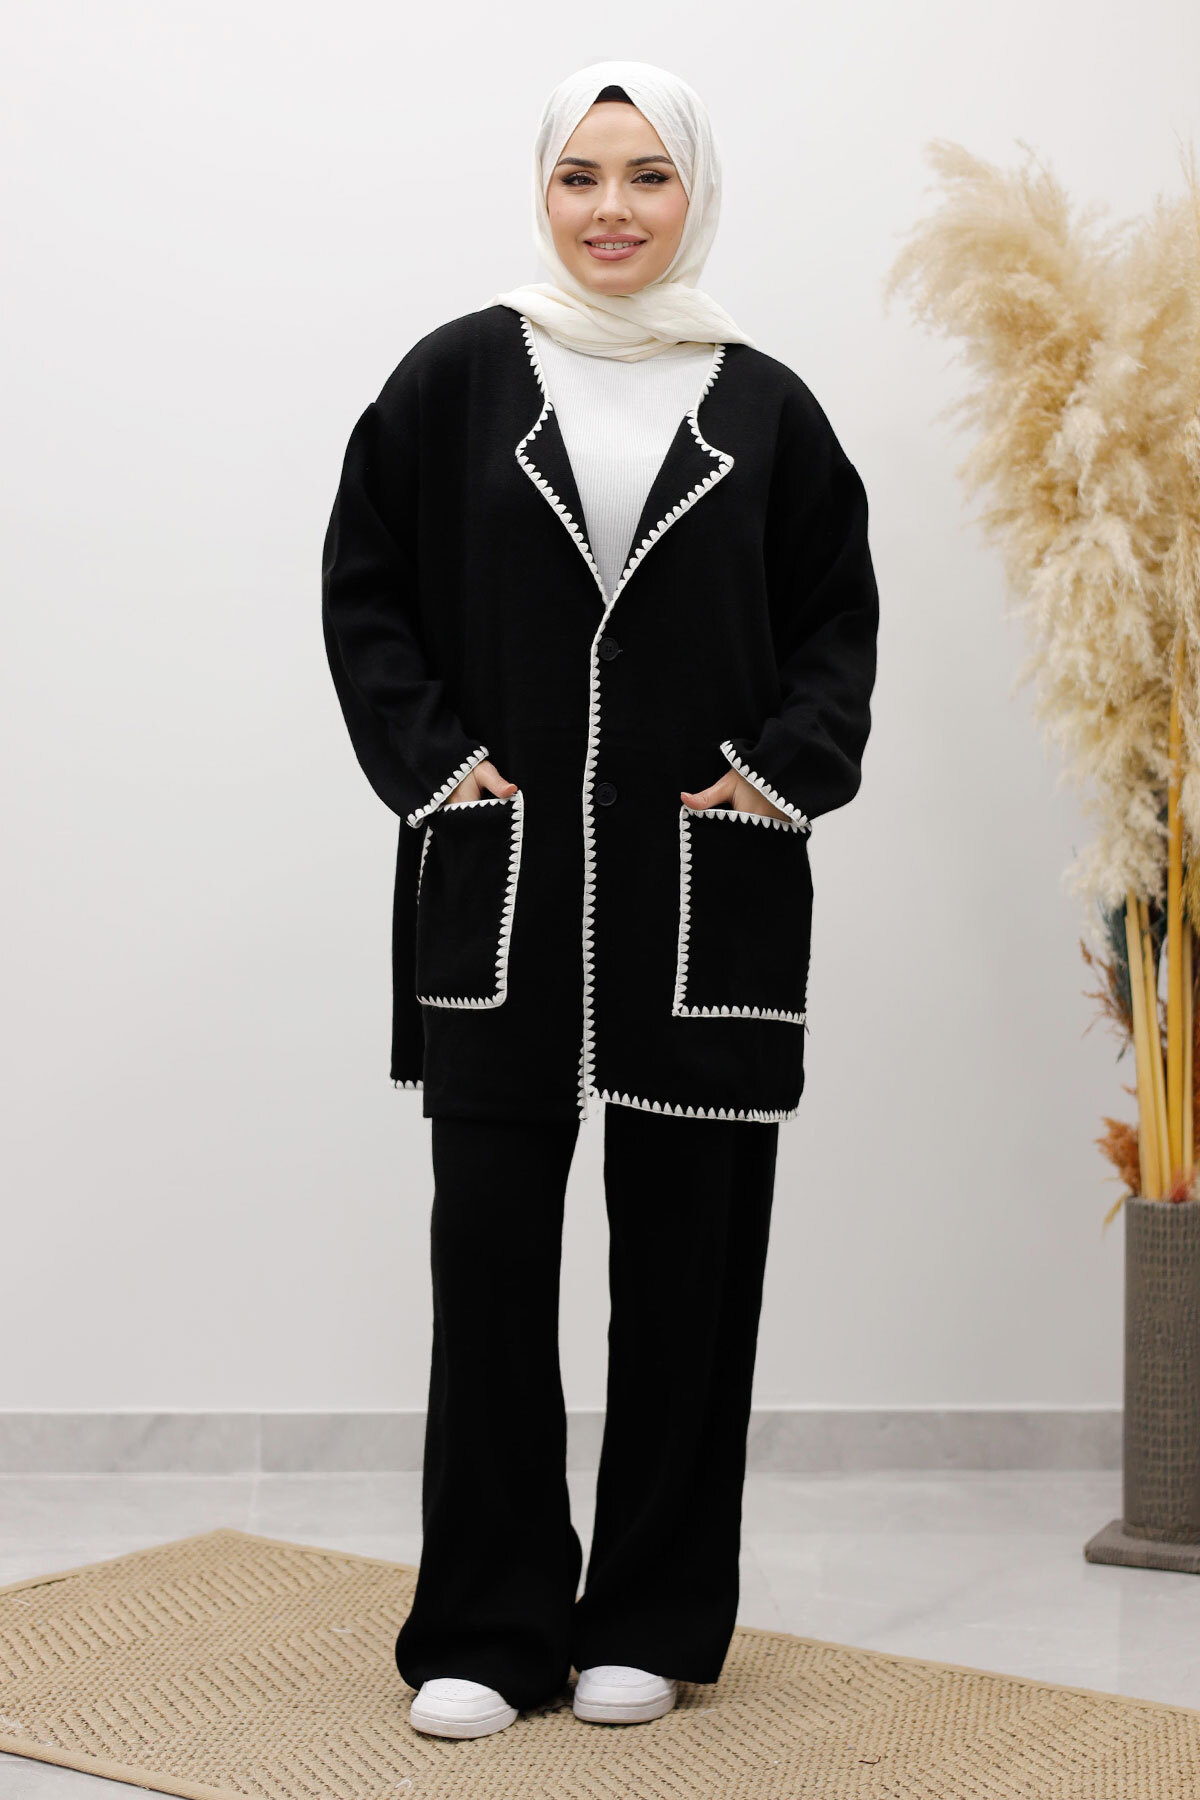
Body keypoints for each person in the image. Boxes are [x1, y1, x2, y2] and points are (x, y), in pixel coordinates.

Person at [321, 58, 879, 1741]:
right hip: (503, 899)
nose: (613, 209)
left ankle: (652, 1612)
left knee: (692, 1274)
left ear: (693, 191)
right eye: (581, 174)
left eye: (647, 175)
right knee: (489, 1267)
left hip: (704, 902)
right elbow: (365, 588)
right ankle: (487, 1626)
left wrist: (782, 773)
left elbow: (837, 623)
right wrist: (434, 766)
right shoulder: (453, 379)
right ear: (541, 189)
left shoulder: (766, 406)